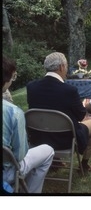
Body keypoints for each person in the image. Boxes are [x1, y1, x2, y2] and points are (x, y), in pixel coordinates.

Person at [26, 52, 91, 173]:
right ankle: (84, 164)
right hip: (65, 139)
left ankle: (54, 162)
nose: (66, 69)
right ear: (61, 67)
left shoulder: (31, 87)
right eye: (66, 66)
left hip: (38, 138)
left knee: (53, 122)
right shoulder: (69, 90)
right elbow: (81, 116)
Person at [2, 56, 54, 193]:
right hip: (6, 172)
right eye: (12, 77)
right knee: (48, 151)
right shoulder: (13, 112)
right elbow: (20, 155)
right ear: (6, 80)